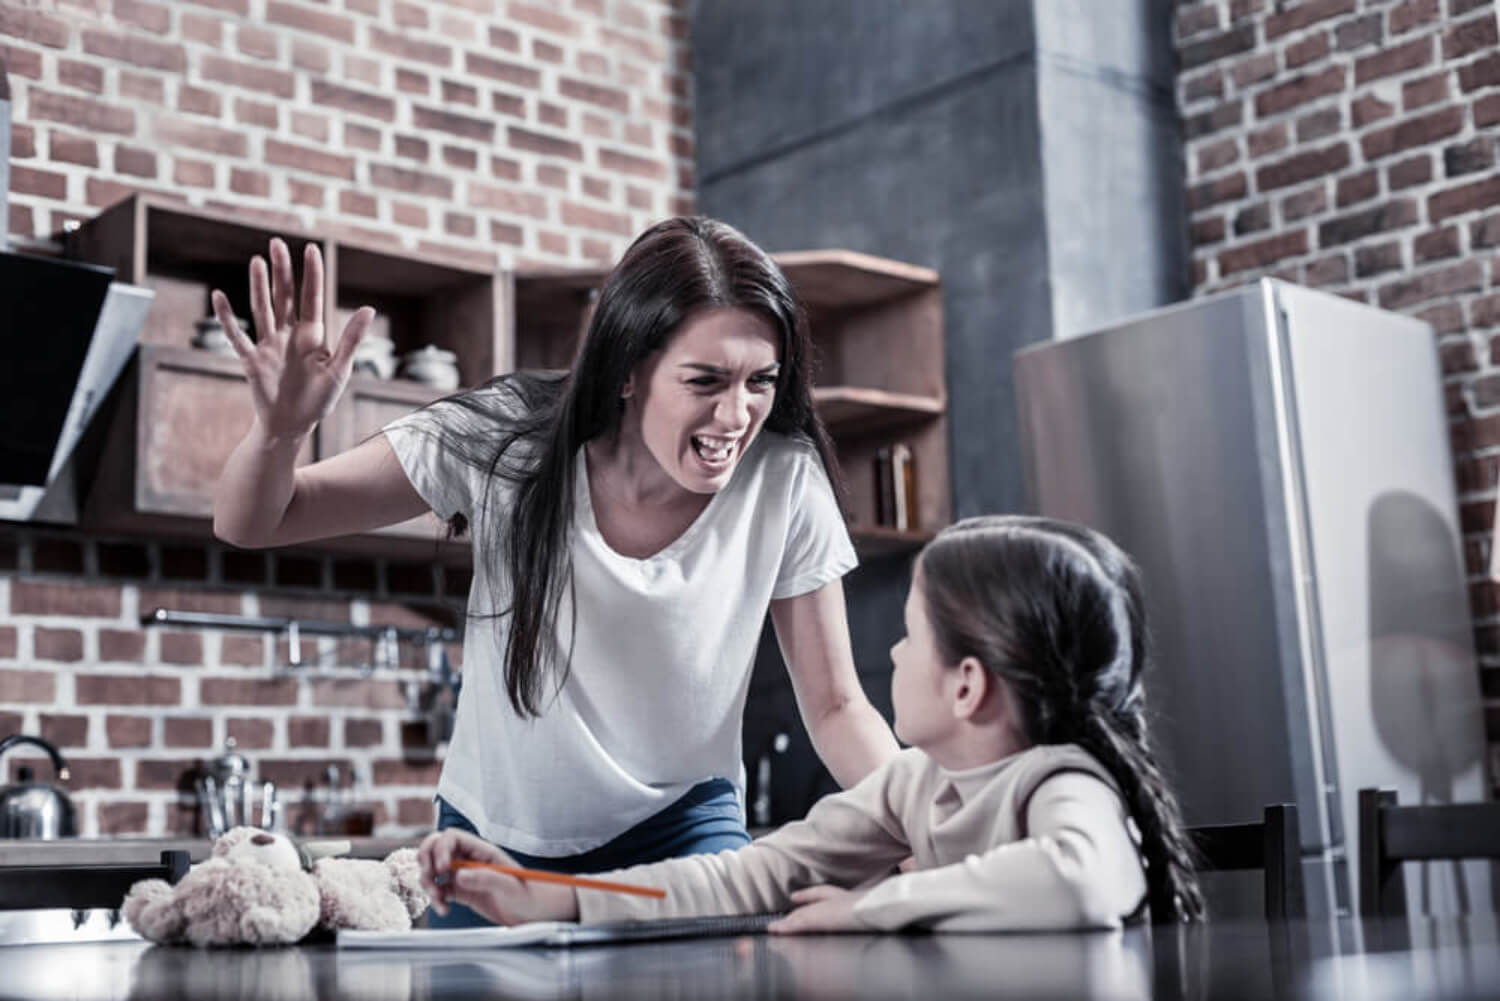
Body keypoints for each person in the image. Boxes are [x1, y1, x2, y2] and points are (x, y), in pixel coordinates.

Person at [209, 217, 899, 927]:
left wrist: (920, 819)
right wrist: (281, 429)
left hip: (684, 841)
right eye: (705, 380)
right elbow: (255, 520)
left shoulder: (783, 476)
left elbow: (838, 706)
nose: (737, 413)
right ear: (629, 369)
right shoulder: (503, 438)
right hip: (489, 851)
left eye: (762, 380)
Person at [420, 515, 1207, 932]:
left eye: (912, 633)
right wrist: (548, 895)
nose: (893, 652)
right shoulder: (914, 784)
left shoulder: (1061, 780)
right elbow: (744, 875)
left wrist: (871, 909)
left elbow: (1082, 882)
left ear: (967, 685)